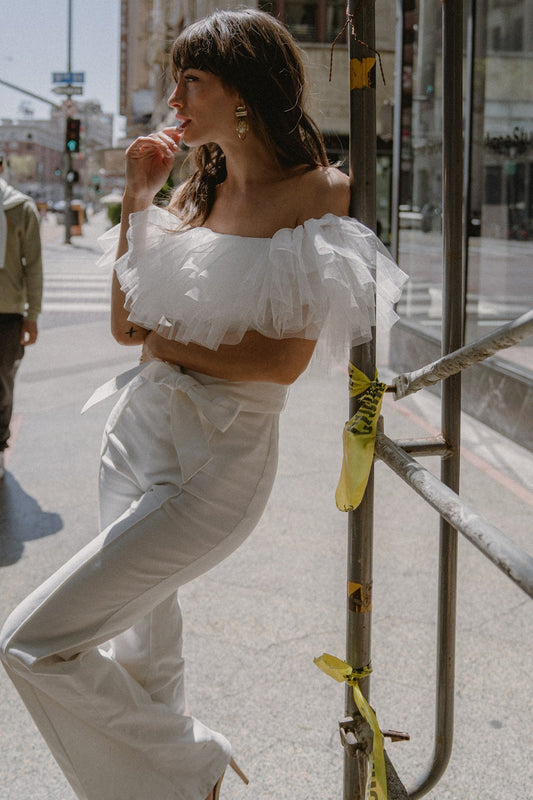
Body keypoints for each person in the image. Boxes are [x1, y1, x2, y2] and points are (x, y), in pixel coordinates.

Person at [0, 9, 405, 800]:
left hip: (216, 460)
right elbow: (127, 326)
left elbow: (279, 363)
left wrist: (165, 341)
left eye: (192, 78)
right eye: (174, 77)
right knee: (144, 650)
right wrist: (137, 194)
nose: (174, 94)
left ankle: (193, 764)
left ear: (245, 92)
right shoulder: (190, 192)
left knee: (32, 643)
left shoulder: (320, 192)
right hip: (136, 438)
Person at [0, 155, 43, 484]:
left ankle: (0, 447)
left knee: (2, 386)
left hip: (7, 314)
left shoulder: (19, 208)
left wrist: (32, 315)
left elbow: (34, 266)